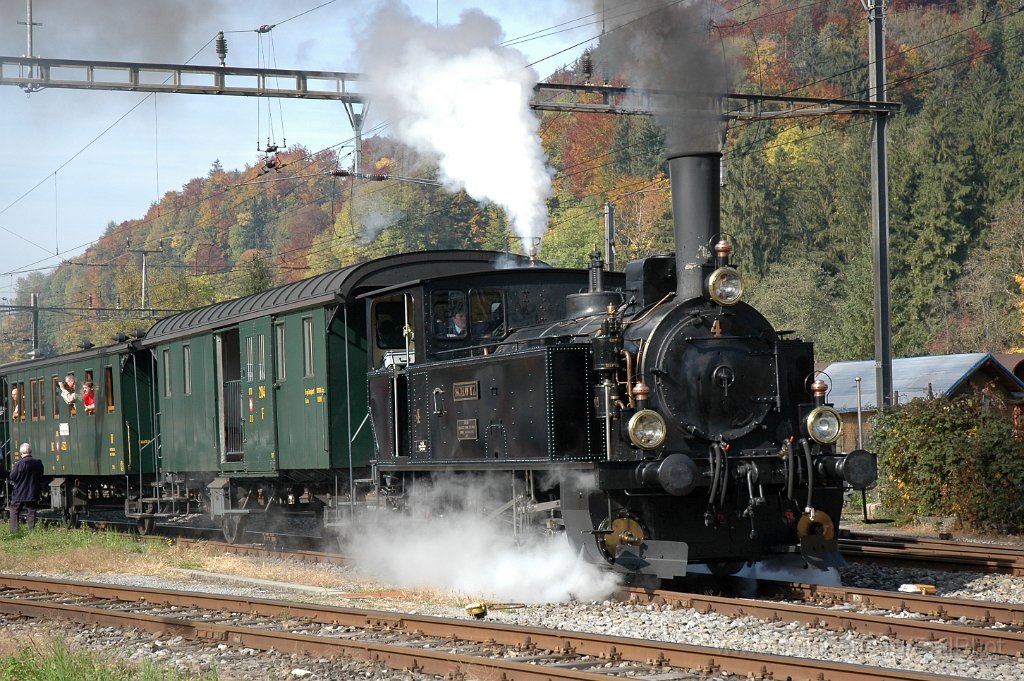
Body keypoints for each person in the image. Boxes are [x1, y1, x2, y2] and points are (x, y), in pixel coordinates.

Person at [9, 443, 44, 532]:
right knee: (31, 511)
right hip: (32, 492)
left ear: (21, 453)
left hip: (19, 492)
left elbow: (12, 477)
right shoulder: (38, 463)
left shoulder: (19, 464)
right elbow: (41, 475)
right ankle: (31, 530)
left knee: (14, 510)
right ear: (30, 452)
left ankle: (15, 530)